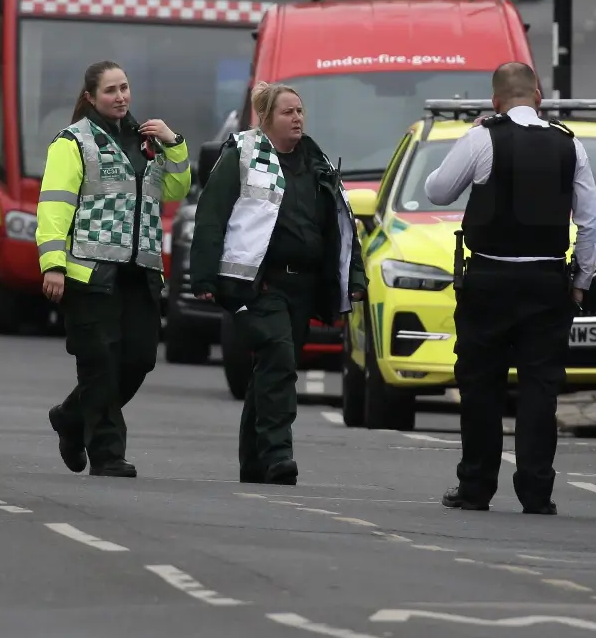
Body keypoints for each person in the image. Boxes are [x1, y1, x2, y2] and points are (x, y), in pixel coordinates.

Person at [422, 62, 596, 515]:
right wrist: (580, 281)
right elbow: (592, 223)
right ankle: (537, 493)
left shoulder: (482, 138)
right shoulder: (569, 144)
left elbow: (438, 192)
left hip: (489, 280)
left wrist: (470, 136)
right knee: (540, 388)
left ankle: (476, 487)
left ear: (495, 101)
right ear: (538, 97)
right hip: (546, 282)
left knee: (480, 384)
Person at [189, 83, 368, 486]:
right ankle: (278, 454)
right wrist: (204, 277)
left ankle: (253, 462)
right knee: (279, 358)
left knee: (272, 369)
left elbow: (341, 225)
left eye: (300, 111)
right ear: (266, 118)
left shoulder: (316, 161)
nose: (297, 118)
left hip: (303, 287)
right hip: (259, 285)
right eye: (288, 112)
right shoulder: (243, 154)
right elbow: (211, 216)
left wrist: (354, 278)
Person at [38, 62, 190, 478]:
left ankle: (70, 418)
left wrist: (174, 144)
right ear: (90, 97)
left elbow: (175, 189)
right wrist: (52, 265)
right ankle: (107, 454)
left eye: (124, 87)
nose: (120, 96)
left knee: (139, 360)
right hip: (90, 274)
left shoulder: (148, 141)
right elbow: (54, 207)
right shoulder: (73, 141)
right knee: (100, 365)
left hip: (141, 273)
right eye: (110, 90)